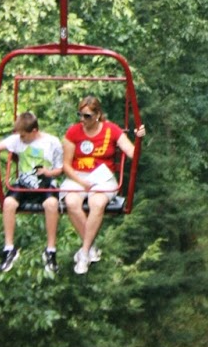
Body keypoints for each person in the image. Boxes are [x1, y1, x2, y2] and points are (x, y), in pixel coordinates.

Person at [61, 96, 145, 275]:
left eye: (87, 116)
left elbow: (132, 153)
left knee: (97, 203)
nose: (83, 120)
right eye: (80, 115)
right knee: (71, 202)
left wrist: (139, 140)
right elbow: (66, 165)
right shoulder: (73, 132)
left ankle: (84, 251)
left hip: (102, 177)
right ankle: (90, 247)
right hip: (78, 176)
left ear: (98, 115)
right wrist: (81, 181)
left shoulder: (111, 130)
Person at [0, 111, 63, 275]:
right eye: (19, 135)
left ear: (34, 131)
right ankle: (9, 248)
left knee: (51, 204)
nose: (21, 139)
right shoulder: (16, 140)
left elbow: (60, 168)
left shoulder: (52, 142)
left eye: (23, 136)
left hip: (45, 183)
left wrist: (48, 173)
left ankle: (50, 249)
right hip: (25, 182)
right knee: (8, 203)